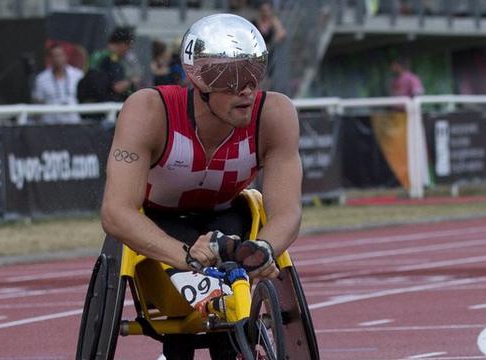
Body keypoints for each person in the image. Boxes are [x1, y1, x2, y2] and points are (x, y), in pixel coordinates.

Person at [100, 13, 302, 360]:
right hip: (161, 224)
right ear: (199, 79)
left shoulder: (275, 114)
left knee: (231, 304)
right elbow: (116, 212)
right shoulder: (149, 111)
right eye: (231, 78)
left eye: (254, 74)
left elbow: (287, 211)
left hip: (228, 218)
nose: (247, 90)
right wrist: (187, 257)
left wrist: (264, 249)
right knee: (189, 316)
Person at [84, 26, 139, 102]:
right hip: (106, 106)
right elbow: (117, 87)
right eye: (128, 47)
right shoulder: (112, 60)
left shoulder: (96, 55)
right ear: (123, 45)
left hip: (89, 103)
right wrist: (131, 81)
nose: (127, 51)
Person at [32, 43, 84, 124]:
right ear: (50, 59)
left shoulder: (78, 75)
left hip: (74, 123)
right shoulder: (41, 79)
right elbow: (37, 103)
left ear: (66, 56)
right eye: (55, 56)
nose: (58, 59)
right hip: (50, 125)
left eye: (61, 55)